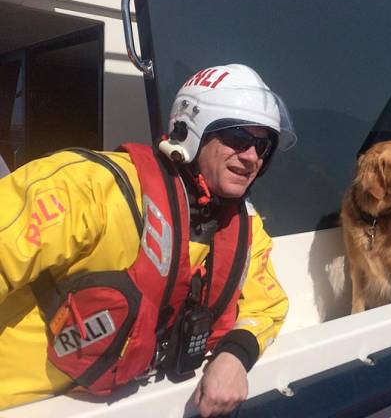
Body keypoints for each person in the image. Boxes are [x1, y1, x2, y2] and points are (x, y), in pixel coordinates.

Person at [0, 64, 296, 416]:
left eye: (262, 146)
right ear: (190, 132)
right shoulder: (87, 188)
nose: (251, 157)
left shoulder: (245, 229)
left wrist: (235, 355)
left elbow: (267, 305)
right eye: (237, 138)